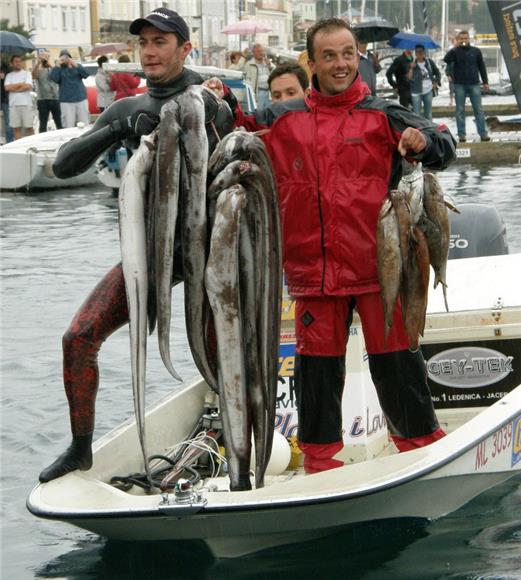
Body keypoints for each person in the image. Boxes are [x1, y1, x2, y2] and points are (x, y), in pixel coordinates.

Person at [208, 18, 456, 474]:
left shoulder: (385, 114)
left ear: (358, 56)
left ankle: (424, 450)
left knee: (398, 364)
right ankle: (321, 465)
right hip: (312, 274)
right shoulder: (283, 119)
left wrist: (423, 143)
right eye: (329, 55)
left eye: (348, 53)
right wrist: (218, 97)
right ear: (312, 62)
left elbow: (444, 143)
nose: (341, 64)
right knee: (316, 374)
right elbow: (233, 124)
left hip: (381, 268)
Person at [38, 7, 233, 484]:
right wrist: (118, 129)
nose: (148, 51)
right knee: (78, 338)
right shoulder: (128, 110)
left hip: (208, 251)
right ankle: (81, 448)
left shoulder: (210, 104)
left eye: (160, 42)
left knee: (219, 348)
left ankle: (235, 431)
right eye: (143, 42)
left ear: (186, 49)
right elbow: (63, 167)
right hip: (150, 254)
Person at [444, 30, 490, 142]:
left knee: (478, 110)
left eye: (466, 38)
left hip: (474, 83)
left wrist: (485, 82)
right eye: (462, 39)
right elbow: (446, 59)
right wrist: (455, 47)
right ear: (459, 40)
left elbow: (482, 67)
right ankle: (461, 134)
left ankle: (483, 133)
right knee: (460, 110)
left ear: (469, 39)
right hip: (460, 84)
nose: (464, 40)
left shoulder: (476, 51)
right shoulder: (455, 52)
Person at [49, 49, 90, 128]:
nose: (65, 60)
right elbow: (54, 78)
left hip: (81, 99)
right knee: (68, 125)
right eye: (63, 58)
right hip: (66, 101)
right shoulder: (59, 69)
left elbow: (86, 74)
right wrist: (57, 65)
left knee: (84, 123)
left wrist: (76, 65)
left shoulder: (77, 66)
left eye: (67, 57)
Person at [407, 44, 441, 121]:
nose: (419, 54)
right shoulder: (412, 63)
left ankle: (429, 130)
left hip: (428, 90)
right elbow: (409, 78)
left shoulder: (429, 62)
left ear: (424, 52)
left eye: (421, 52)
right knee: (416, 114)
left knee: (428, 113)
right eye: (417, 52)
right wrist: (411, 68)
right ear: (415, 53)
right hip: (416, 91)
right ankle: (418, 130)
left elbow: (437, 72)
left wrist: (435, 82)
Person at [4, 55, 34, 140]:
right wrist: (21, 84)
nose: (18, 63)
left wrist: (14, 88)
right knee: (16, 128)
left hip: (26, 104)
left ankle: (32, 144)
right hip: (14, 105)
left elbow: (28, 86)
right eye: (16, 62)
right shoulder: (9, 75)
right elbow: (7, 88)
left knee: (29, 127)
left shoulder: (27, 73)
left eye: (19, 61)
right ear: (12, 63)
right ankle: (19, 147)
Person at [32, 50, 62, 133]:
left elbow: (58, 76)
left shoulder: (52, 69)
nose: (45, 59)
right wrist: (38, 63)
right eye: (43, 57)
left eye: (46, 57)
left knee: (58, 121)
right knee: (43, 123)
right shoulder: (38, 69)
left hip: (54, 98)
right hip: (42, 99)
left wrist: (50, 65)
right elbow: (33, 76)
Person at [243, 43, 275, 108]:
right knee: (259, 114)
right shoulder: (249, 65)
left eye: (262, 51)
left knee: (269, 114)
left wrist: (269, 65)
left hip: (269, 93)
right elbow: (246, 81)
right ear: (253, 53)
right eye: (258, 51)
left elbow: (276, 74)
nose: (261, 53)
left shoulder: (268, 63)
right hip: (258, 94)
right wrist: (251, 95)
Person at [1, 61, 15, 143]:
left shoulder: (6, 68)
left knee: (9, 122)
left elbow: (12, 82)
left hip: (5, 99)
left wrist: (4, 77)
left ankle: (9, 142)